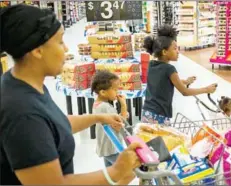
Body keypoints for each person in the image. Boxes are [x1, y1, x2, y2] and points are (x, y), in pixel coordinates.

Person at [0, 4, 141, 185]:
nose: (66, 49)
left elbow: (54, 125)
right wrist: (116, 172)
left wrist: (99, 117)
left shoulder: (21, 83)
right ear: (37, 50)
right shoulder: (21, 112)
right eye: (60, 41)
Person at [142, 24, 217, 124]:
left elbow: (162, 81)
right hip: (159, 115)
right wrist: (206, 89)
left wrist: (185, 81)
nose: (178, 52)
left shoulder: (152, 64)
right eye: (175, 48)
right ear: (164, 51)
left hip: (147, 112)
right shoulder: (169, 69)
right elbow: (184, 92)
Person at [91, 70, 128, 168]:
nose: (117, 93)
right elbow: (119, 126)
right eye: (115, 90)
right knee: (124, 171)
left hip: (106, 146)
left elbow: (113, 120)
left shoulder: (98, 104)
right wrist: (124, 105)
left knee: (110, 175)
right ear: (103, 92)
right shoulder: (105, 107)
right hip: (112, 147)